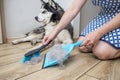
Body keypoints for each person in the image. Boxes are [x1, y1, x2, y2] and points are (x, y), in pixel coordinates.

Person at [42, 0, 120, 60]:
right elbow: (73, 9)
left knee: (102, 51)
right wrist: (54, 32)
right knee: (83, 46)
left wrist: (98, 33)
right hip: (105, 15)